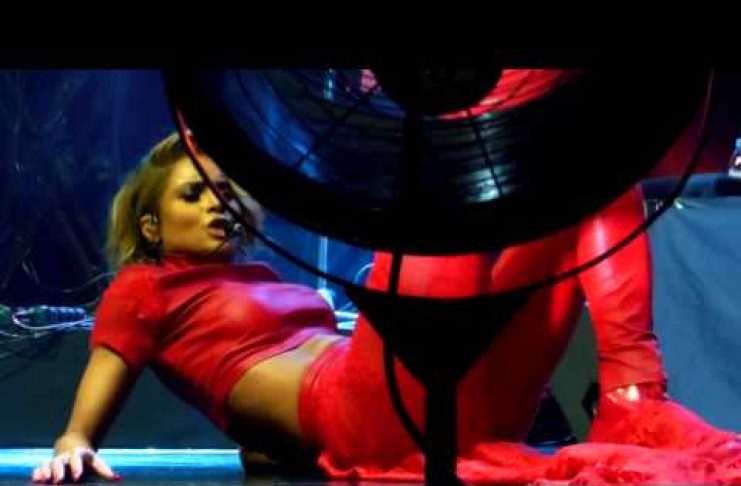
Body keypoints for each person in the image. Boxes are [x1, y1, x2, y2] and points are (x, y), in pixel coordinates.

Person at [32, 132, 740, 484]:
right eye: (194, 195)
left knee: (590, 177)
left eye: (227, 192)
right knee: (437, 190)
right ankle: (454, 109)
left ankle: (632, 396)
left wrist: (272, 446)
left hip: (448, 398)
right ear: (151, 225)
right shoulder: (143, 288)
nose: (219, 205)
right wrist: (74, 440)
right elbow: (108, 368)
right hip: (368, 411)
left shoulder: (259, 277)